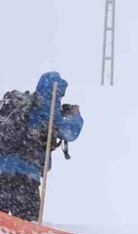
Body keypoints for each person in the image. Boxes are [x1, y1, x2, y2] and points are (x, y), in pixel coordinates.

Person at [0, 72, 84, 222]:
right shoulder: (49, 112)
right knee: (26, 221)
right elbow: (71, 133)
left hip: (3, 170)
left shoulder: (22, 105)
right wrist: (75, 116)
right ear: (57, 92)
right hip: (26, 175)